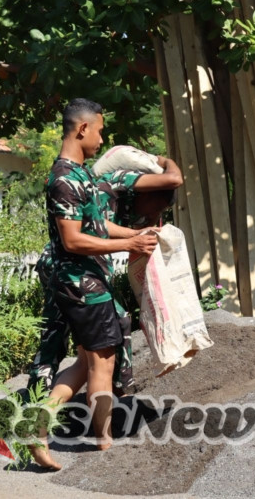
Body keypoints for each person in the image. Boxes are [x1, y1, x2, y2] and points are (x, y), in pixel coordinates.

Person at [29, 98, 158, 470]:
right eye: (99, 129)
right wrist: (130, 244)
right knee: (102, 365)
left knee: (86, 364)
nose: (102, 138)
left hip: (88, 282)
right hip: (81, 285)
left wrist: (140, 233)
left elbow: (98, 227)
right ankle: (104, 447)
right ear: (82, 129)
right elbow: (72, 239)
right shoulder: (65, 179)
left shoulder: (81, 174)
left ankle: (36, 427)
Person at [26, 156, 182, 395]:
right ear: (146, 193)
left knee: (63, 341)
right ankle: (114, 394)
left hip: (69, 268)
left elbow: (107, 228)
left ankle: (41, 406)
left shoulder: (123, 203)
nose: (154, 216)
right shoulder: (120, 181)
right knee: (109, 327)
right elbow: (174, 179)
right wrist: (164, 160)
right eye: (157, 208)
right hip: (71, 269)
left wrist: (136, 235)